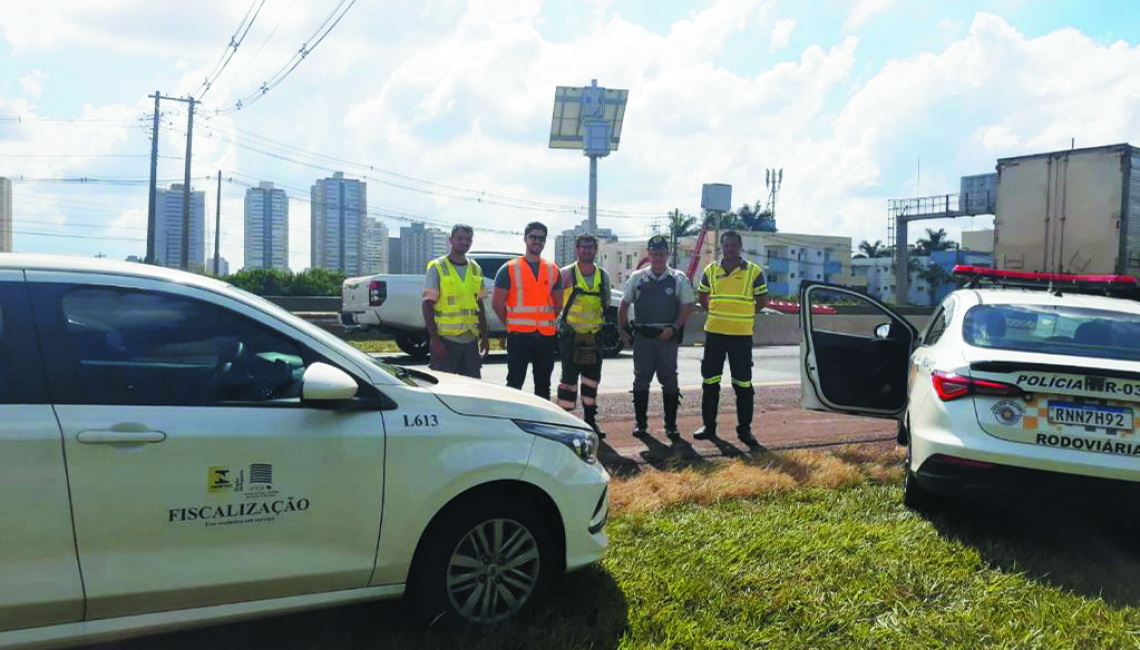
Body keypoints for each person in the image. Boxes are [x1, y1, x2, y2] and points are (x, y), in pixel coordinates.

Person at [693, 230, 769, 447]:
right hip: (715, 334)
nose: (729, 249)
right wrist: (718, 311)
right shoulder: (710, 270)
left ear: (740, 247)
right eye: (726, 245)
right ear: (721, 247)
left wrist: (742, 313)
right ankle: (708, 427)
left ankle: (744, 430)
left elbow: (762, 300)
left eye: (733, 245)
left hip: (741, 336)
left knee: (743, 384)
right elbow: (702, 296)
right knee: (710, 382)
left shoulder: (754, 272)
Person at [618, 234, 695, 440]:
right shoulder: (637, 278)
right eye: (654, 254)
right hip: (643, 337)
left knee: (669, 380)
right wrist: (623, 330)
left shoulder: (678, 278)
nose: (658, 258)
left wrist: (675, 328)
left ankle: (671, 426)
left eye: (662, 254)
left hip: (667, 337)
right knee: (641, 380)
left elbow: (688, 305)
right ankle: (641, 424)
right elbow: (624, 304)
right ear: (649, 255)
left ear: (667, 254)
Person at [492, 222, 562, 399]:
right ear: (525, 239)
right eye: (533, 237)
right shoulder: (509, 269)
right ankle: (513, 423)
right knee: (515, 383)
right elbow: (497, 303)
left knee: (543, 385)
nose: (537, 241)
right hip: (519, 336)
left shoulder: (553, 269)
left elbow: (558, 304)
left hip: (546, 336)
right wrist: (511, 323)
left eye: (541, 238)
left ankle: (541, 423)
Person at [556, 234, 611, 437]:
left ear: (595, 250)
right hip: (571, 336)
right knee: (568, 382)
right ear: (576, 249)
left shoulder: (602, 276)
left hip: (594, 337)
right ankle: (565, 423)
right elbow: (556, 303)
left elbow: (605, 303)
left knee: (591, 381)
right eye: (583, 247)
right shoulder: (566, 274)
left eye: (590, 247)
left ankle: (590, 422)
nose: (587, 251)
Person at [422, 224, 490, 378]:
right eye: (460, 238)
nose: (464, 242)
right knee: (445, 393)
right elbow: (427, 305)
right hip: (446, 341)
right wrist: (435, 340)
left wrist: (485, 338)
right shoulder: (437, 267)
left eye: (468, 239)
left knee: (472, 391)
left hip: (471, 341)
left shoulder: (475, 269)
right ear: (450, 240)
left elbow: (479, 306)